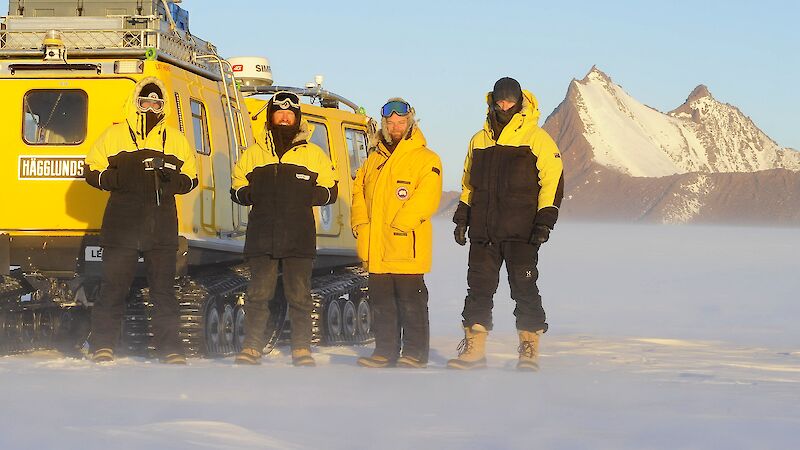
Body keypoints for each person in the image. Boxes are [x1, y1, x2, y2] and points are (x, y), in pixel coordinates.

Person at [448, 77, 564, 371]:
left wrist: (545, 220)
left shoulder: (537, 138)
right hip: (484, 233)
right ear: (492, 102)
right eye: (499, 101)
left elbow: (553, 180)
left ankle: (529, 349)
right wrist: (463, 216)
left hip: (521, 232)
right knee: (478, 290)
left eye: (509, 101)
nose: (504, 106)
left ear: (520, 102)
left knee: (524, 289)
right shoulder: (479, 139)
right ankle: (474, 349)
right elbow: (468, 183)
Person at [84, 77, 198, 364]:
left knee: (164, 291)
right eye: (145, 101)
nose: (150, 107)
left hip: (160, 228)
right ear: (136, 103)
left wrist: (174, 182)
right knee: (113, 288)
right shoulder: (114, 135)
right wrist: (118, 178)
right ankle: (103, 346)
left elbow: (192, 178)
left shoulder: (176, 139)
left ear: (163, 107)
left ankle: (170, 349)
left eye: (156, 103)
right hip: (121, 226)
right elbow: (90, 170)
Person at [231, 91, 338, 367]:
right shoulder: (254, 153)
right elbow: (236, 186)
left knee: (299, 295)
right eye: (279, 113)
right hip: (261, 236)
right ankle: (252, 347)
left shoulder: (314, 154)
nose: (284, 118)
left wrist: (305, 195)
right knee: (257, 294)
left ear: (297, 118)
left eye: (289, 114)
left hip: (299, 237)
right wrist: (250, 194)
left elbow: (330, 190)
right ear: (271, 117)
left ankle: (301, 349)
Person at [351, 98, 442, 369]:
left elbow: (427, 197)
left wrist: (401, 224)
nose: (395, 126)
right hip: (376, 247)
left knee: (411, 303)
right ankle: (385, 351)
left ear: (410, 122)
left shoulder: (426, 158)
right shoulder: (373, 159)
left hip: (406, 246)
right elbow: (357, 192)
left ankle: (415, 353)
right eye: (390, 122)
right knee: (381, 304)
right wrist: (361, 225)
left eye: (400, 122)